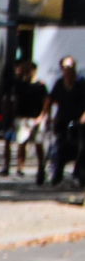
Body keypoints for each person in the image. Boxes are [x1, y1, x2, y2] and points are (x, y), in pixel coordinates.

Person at [5, 59, 50, 181]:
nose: (27, 72)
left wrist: (42, 117)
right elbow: (16, 101)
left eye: (29, 69)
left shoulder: (41, 85)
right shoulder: (20, 85)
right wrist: (14, 117)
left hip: (35, 118)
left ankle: (41, 166)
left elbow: (46, 102)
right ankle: (20, 168)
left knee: (38, 143)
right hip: (22, 117)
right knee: (21, 143)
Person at [49, 57, 85, 188]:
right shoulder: (59, 84)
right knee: (60, 148)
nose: (67, 70)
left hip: (78, 124)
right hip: (62, 122)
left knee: (81, 150)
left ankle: (78, 175)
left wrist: (82, 118)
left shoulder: (81, 84)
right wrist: (49, 116)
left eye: (69, 67)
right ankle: (57, 175)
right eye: (64, 68)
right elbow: (50, 100)